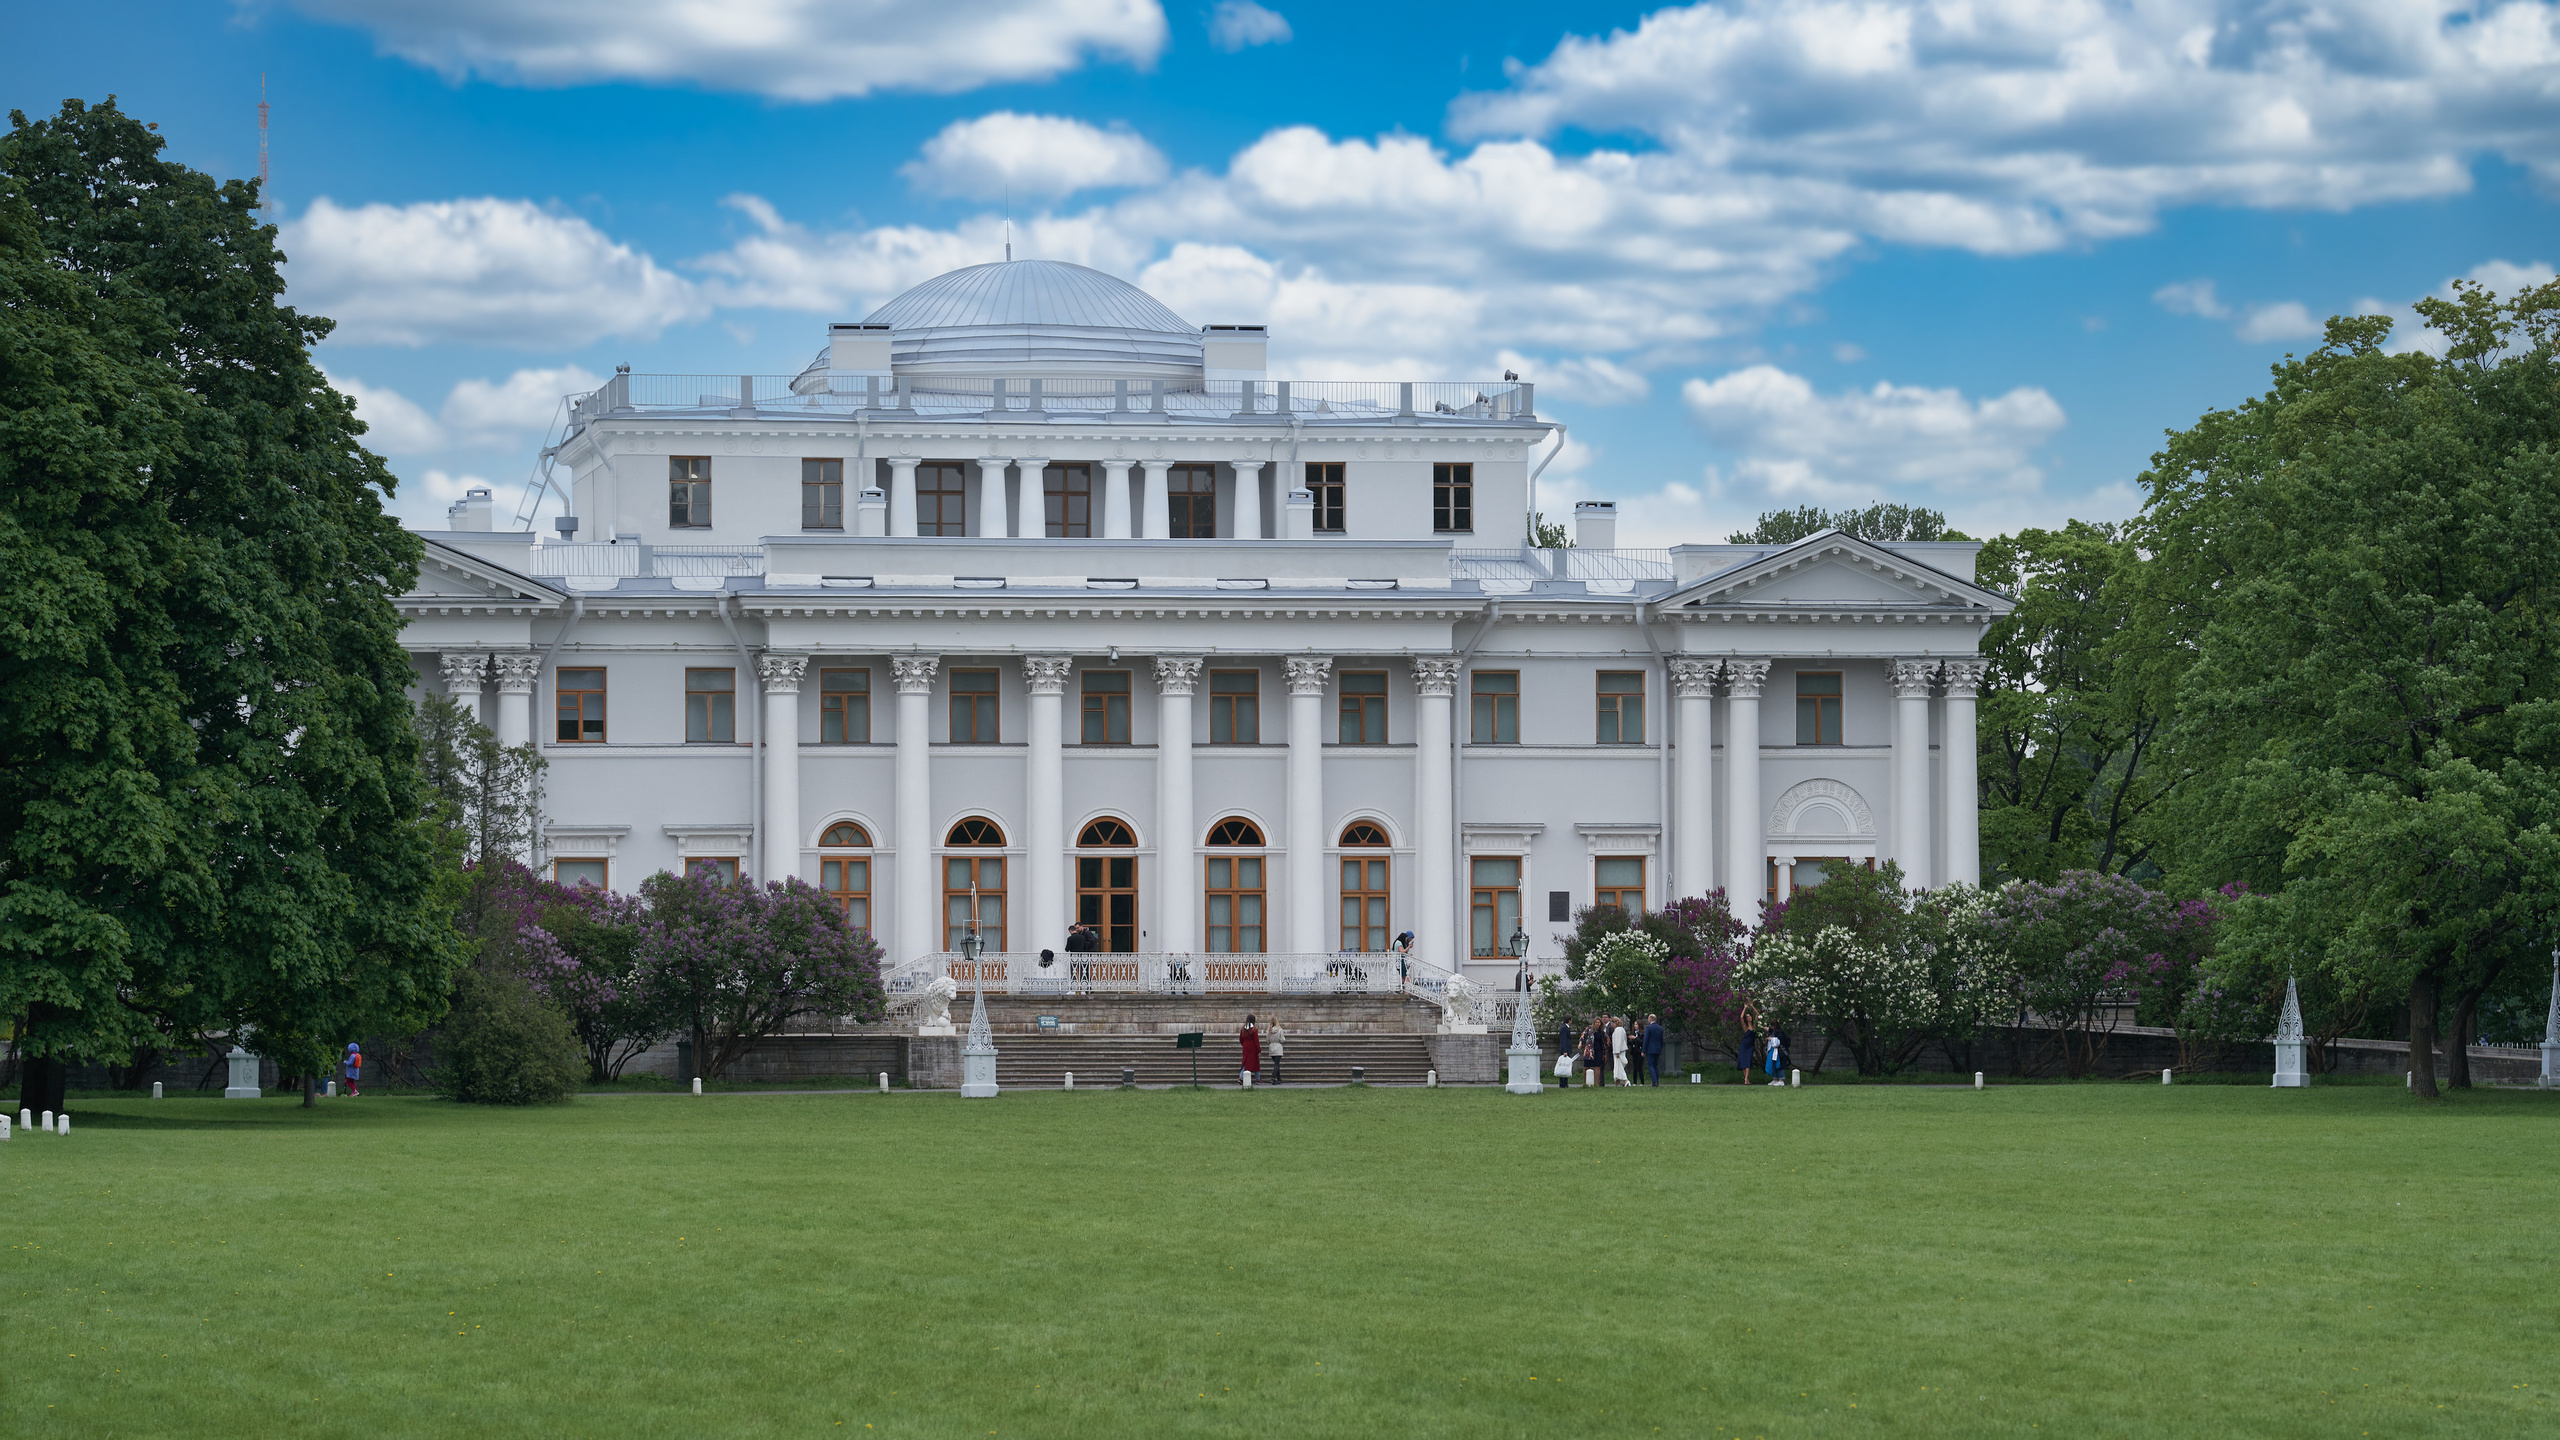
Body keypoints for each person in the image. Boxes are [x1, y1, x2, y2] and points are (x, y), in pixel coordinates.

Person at [1737, 1000, 1762, 1086]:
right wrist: (1744, 1008)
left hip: (1750, 1046)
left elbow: (1757, 1014)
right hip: (1744, 1045)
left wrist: (1752, 1006)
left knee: (1747, 1062)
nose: (1749, 1018)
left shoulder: (1754, 1026)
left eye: (1749, 1016)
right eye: (1747, 1017)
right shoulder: (1745, 1027)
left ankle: (1746, 1079)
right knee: (1744, 1062)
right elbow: (1741, 1017)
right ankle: (1746, 1079)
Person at [1642, 1013, 1665, 1086]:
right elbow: (1661, 1040)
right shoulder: (1660, 1028)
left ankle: (1654, 1081)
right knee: (1655, 1065)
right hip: (1657, 1049)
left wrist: (1643, 1050)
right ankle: (1657, 1080)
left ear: (1650, 1019)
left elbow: (1646, 1039)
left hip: (1650, 1049)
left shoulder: (1649, 1028)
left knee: (1650, 1065)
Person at [1238, 1014, 1261, 1086]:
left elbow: (1240, 1039)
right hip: (1252, 1047)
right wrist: (1259, 1050)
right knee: (1256, 1063)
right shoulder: (1254, 1029)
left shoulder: (1243, 1029)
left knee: (1245, 1062)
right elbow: (1256, 1041)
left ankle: (1241, 1076)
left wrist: (1244, 1044)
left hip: (1245, 1046)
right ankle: (1257, 1078)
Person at [1555, 1017, 1576, 1088]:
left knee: (1565, 1065)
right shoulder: (1564, 1028)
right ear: (1569, 1020)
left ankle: (1564, 1082)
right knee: (1564, 1065)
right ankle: (1563, 1083)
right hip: (1565, 1050)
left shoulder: (1565, 1027)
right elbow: (1563, 1040)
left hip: (1566, 1049)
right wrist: (1564, 1051)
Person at [1609, 1014, 1629, 1085]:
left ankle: (1625, 1080)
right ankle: (1618, 1080)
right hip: (1622, 1050)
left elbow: (1618, 1041)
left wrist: (1617, 1052)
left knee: (1619, 1066)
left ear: (1613, 1023)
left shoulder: (1618, 1030)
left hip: (1619, 1051)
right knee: (1618, 1066)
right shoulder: (1622, 1029)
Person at [1267, 1019, 1286, 1085]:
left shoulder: (1269, 1030)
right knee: (1276, 1064)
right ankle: (1273, 1077)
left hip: (1271, 1047)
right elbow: (1282, 1039)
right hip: (1278, 1047)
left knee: (1277, 1064)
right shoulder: (1280, 1030)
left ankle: (1279, 1078)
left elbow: (1267, 1040)